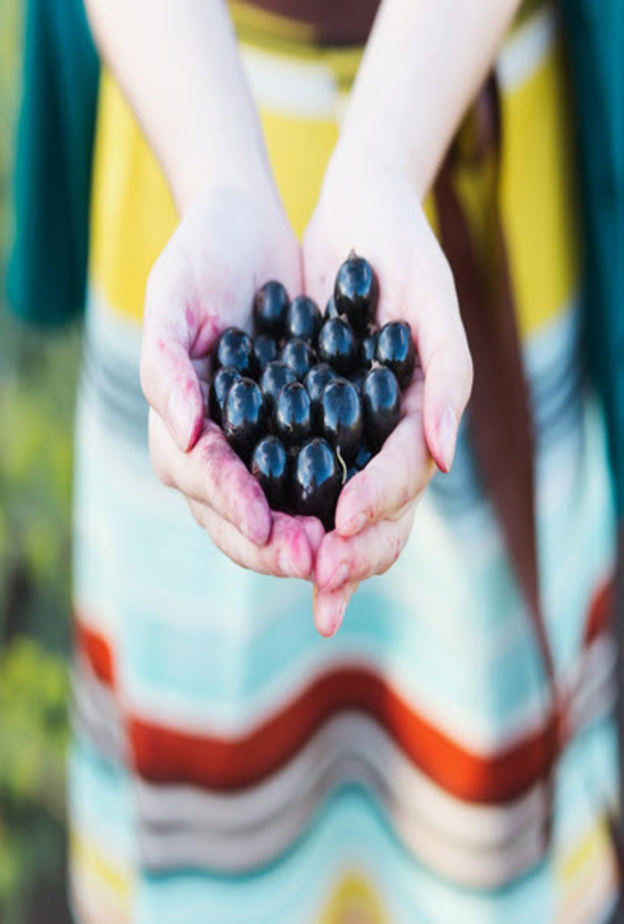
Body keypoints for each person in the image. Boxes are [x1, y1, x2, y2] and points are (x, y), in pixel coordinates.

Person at [67, 0, 618, 920]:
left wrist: (387, 159)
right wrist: (218, 179)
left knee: (469, 694)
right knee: (223, 727)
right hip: (189, 109)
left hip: (454, 90)